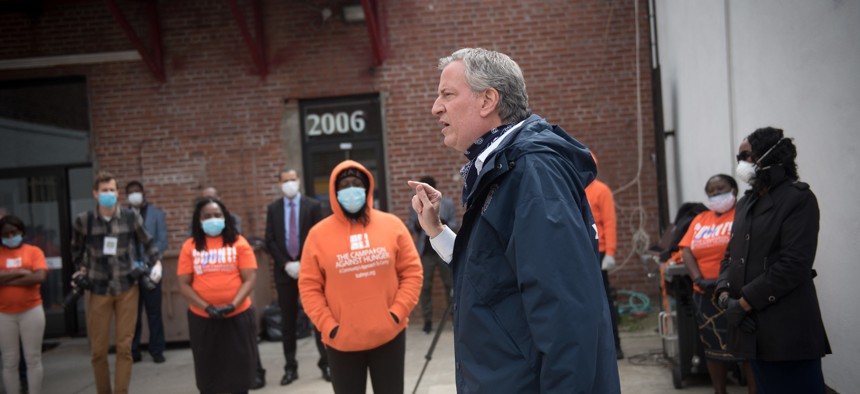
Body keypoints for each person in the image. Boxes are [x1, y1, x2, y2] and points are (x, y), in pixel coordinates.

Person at [409, 48, 620, 392]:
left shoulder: (532, 173)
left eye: (447, 94)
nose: (436, 107)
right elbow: (491, 274)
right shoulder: (504, 168)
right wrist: (436, 231)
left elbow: (566, 314)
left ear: (488, 100)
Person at [716, 127, 830, 393]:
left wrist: (744, 302)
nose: (741, 163)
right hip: (751, 328)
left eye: (746, 155)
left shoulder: (798, 198)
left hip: (787, 327)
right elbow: (731, 255)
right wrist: (723, 293)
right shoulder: (746, 203)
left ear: (770, 156)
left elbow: (794, 265)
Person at [299, 160, 422, 394]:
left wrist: (397, 312)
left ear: (367, 188)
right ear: (335, 192)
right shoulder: (317, 235)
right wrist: (329, 326)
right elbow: (309, 287)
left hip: (389, 335)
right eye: (344, 185)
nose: (351, 189)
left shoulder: (392, 225)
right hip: (341, 340)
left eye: (357, 183)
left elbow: (411, 272)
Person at [70, 171, 163, 394]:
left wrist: (157, 263)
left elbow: (148, 242)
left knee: (124, 348)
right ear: (95, 194)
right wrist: (80, 268)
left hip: (126, 287)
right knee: (99, 351)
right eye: (104, 191)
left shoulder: (131, 217)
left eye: (112, 190)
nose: (109, 194)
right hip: (98, 288)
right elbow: (76, 248)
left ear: (117, 193)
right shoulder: (85, 220)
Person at [679, 174, 755, 394]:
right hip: (705, 293)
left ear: (733, 189)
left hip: (737, 293)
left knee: (747, 347)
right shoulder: (701, 218)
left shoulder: (742, 214)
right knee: (713, 346)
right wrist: (698, 279)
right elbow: (686, 250)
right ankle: (719, 391)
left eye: (720, 188)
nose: (715, 194)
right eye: (711, 191)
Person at [177, 197, 259, 394]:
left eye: (217, 215)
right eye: (207, 216)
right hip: (203, 318)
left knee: (239, 373)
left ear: (225, 217)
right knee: (209, 374)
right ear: (198, 220)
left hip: (238, 315)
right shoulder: (190, 246)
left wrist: (233, 305)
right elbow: (183, 284)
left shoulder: (239, 243)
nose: (212, 219)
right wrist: (207, 307)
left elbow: (249, 278)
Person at [264, 167, 330, 385]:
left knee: (318, 318)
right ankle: (290, 367)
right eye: (285, 181)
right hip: (285, 272)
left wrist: (304, 262)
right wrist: (286, 264)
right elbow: (270, 239)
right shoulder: (273, 209)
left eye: (292, 179)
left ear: (299, 180)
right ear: (279, 184)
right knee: (288, 322)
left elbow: (319, 236)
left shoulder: (313, 205)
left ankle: (326, 363)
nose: (289, 184)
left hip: (310, 270)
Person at [0, 215, 47, 394]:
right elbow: (30, 275)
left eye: (14, 232)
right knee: (9, 360)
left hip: (31, 310)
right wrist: (21, 272)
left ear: (21, 232)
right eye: (6, 234)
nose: (11, 237)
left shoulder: (33, 251)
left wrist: (5, 277)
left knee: (33, 358)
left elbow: (39, 276)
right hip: (3, 313)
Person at [584, 152, 623, 359]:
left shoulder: (601, 191)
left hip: (598, 253)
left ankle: (615, 345)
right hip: (582, 252)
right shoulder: (574, 189)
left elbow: (609, 222)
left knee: (604, 300)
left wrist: (610, 253)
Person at [407, 175, 458, 334]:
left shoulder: (447, 203)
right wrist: (418, 223)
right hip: (426, 251)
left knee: (450, 284)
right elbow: (410, 226)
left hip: (444, 249)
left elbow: (455, 224)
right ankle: (427, 320)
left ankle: (454, 318)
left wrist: (436, 221)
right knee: (425, 286)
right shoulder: (414, 205)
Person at [126, 181, 168, 364]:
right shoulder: (123, 216)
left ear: (143, 193)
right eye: (130, 192)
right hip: (130, 272)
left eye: (137, 191)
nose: (134, 194)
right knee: (132, 314)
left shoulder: (156, 214)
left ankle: (157, 350)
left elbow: (162, 240)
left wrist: (153, 261)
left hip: (152, 269)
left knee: (154, 312)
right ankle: (134, 350)